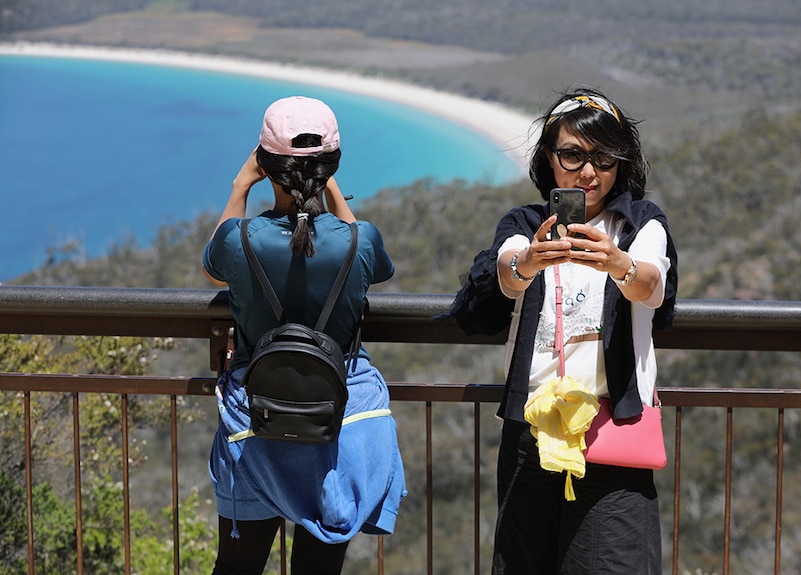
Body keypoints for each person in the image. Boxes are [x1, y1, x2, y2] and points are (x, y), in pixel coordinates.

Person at [446, 87, 678, 574]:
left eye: (604, 158)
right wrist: (528, 261)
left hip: (613, 431)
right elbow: (506, 271)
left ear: (622, 164)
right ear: (548, 159)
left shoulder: (641, 226)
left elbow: (654, 283)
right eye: (572, 155)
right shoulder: (526, 224)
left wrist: (622, 265)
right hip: (533, 429)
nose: (588, 173)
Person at [202, 96, 406, 575]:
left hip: (257, 421)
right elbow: (366, 260)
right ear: (332, 165)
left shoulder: (240, 239)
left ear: (265, 166)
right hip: (336, 424)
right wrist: (328, 188)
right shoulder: (361, 238)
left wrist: (240, 184)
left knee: (237, 566)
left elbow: (214, 270)